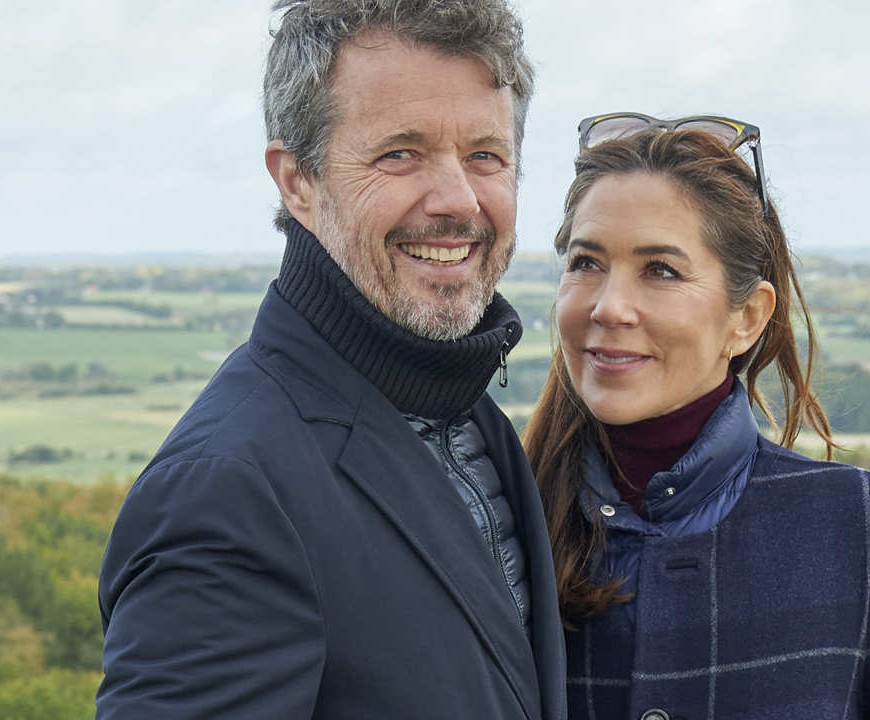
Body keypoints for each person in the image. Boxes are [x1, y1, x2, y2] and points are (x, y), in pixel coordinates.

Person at [95, 2, 566, 718]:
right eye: (399, 153)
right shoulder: (228, 492)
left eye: (485, 156)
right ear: (297, 182)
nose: (458, 200)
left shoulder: (466, 417)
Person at [524, 115, 870, 719]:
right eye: (586, 262)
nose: (610, 305)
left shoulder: (863, 531)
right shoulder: (501, 521)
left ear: (746, 317)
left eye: (660, 270)